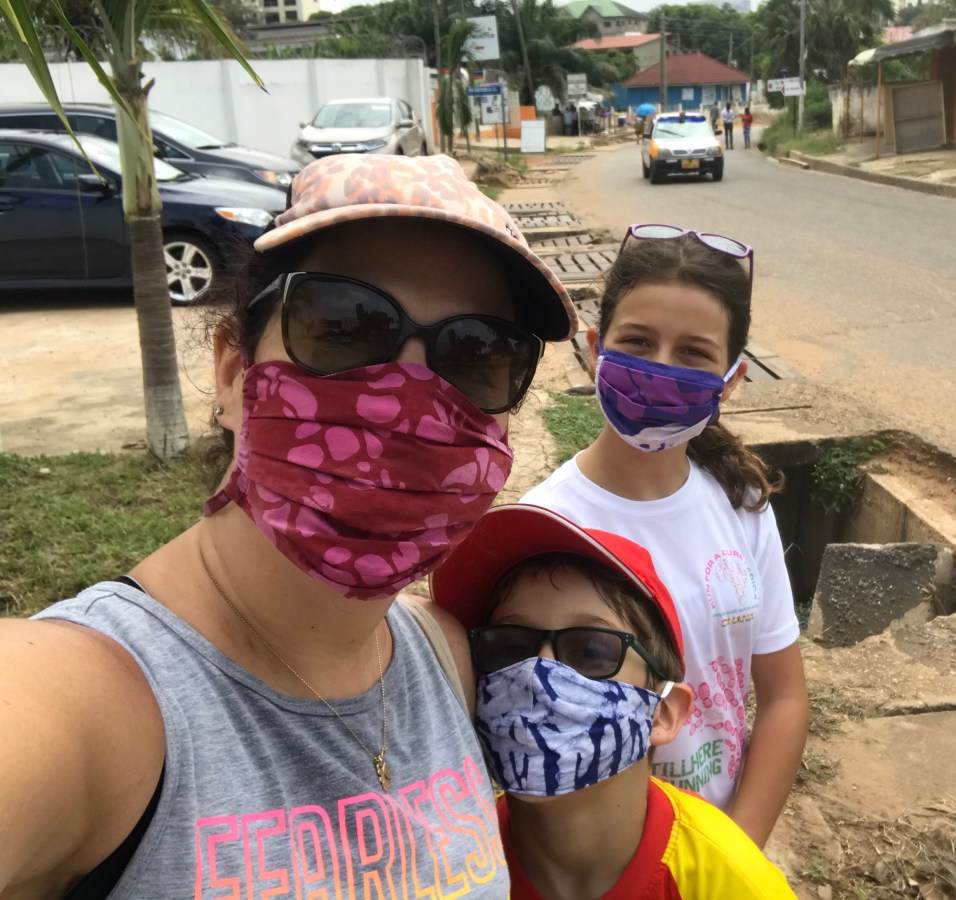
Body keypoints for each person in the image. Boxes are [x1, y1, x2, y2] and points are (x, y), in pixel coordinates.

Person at [0, 153, 577, 898]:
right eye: (343, 324)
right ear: (235, 375)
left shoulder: (446, 658)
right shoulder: (89, 700)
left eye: (476, 352)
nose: (406, 394)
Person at [521, 224, 809, 848]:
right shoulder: (542, 527)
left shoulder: (744, 508)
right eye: (638, 342)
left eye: (693, 354)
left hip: (720, 850)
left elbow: (784, 696)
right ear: (595, 348)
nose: (660, 370)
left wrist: (736, 855)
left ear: (731, 379)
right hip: (595, 861)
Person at [430, 504, 795, 899]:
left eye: (591, 650)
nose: (538, 675)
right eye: (509, 648)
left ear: (663, 713)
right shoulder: (442, 869)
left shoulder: (733, 884)